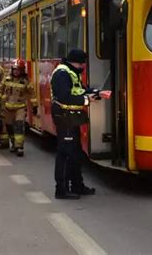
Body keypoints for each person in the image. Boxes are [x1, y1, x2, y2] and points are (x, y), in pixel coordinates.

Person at [50, 49, 98, 199]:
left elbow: (78, 91)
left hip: (71, 117)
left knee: (75, 153)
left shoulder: (72, 72)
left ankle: (77, 186)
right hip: (64, 117)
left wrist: (96, 92)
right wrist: (87, 100)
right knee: (65, 153)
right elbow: (65, 97)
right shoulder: (62, 74)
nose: (82, 66)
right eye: (81, 63)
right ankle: (61, 190)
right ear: (75, 62)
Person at [0, 59, 37, 157]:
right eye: (14, 69)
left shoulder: (25, 81)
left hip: (20, 108)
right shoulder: (7, 79)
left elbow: (32, 93)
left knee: (19, 126)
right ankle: (13, 142)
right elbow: (0, 90)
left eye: (18, 70)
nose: (16, 72)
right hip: (8, 107)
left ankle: (19, 147)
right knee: (9, 127)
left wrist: (35, 105)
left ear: (22, 71)